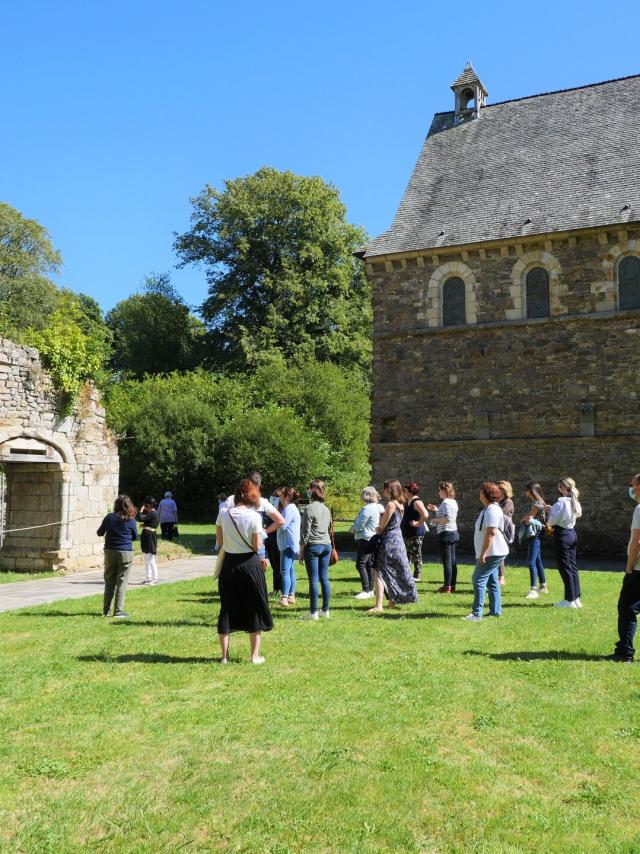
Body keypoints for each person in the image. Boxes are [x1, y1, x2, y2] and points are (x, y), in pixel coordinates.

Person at [215, 478, 273, 664]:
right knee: (254, 606)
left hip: (229, 564)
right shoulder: (254, 517)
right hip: (249, 564)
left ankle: (224, 656)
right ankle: (254, 655)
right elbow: (257, 546)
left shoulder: (224, 513)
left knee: (226, 607)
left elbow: (220, 541)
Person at [603, 472, 640, 663]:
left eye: (632, 484)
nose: (630, 488)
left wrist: (629, 567)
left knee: (627, 609)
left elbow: (637, 542)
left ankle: (625, 652)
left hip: (639, 570)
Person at [367, 479, 418, 614]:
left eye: (384, 488)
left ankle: (379, 605)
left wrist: (377, 528)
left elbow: (382, 526)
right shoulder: (401, 504)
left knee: (378, 571)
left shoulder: (390, 504)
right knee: (394, 570)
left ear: (390, 489)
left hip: (388, 540)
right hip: (398, 539)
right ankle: (391, 602)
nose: (383, 490)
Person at [225, 471, 284, 584]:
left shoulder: (231, 499)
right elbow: (280, 520)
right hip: (256, 543)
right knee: (256, 578)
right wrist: (264, 531)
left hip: (234, 544)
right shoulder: (261, 501)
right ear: (258, 486)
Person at [463, 481, 508, 621]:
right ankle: (495, 611)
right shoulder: (488, 508)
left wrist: (483, 553)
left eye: (482, 491)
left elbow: (491, 532)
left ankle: (477, 613)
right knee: (492, 581)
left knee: (478, 579)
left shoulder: (492, 509)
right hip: (492, 551)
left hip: (493, 551)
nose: (480, 493)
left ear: (486, 494)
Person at [97, 495, 138, 619]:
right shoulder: (131, 520)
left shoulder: (109, 517)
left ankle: (106, 611)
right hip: (125, 552)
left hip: (110, 551)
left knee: (109, 582)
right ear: (129, 506)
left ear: (116, 505)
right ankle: (118, 612)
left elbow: (99, 532)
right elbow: (135, 537)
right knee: (121, 583)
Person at [545, 476, 582, 609]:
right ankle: (576, 597)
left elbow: (552, 521)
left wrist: (549, 511)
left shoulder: (561, 503)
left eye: (559, 486)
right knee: (572, 567)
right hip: (572, 533)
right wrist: (552, 509)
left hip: (562, 535)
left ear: (562, 488)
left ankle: (569, 599)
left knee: (565, 567)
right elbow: (578, 514)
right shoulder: (574, 501)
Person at [299, 479, 332, 621]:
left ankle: (313, 612)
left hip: (313, 545)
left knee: (313, 579)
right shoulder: (326, 509)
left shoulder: (309, 509)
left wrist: (301, 552)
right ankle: (325, 609)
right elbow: (329, 528)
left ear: (312, 490)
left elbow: (305, 533)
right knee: (324, 578)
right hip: (326, 545)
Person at [352, 486, 385, 599]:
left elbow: (359, 525)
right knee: (369, 564)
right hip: (374, 537)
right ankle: (370, 589)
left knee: (360, 564)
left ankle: (366, 589)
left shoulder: (367, 509)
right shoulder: (379, 507)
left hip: (366, 539)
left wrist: (352, 529)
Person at [428, 481, 459, 593]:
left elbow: (446, 520)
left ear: (445, 491)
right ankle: (452, 585)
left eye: (439, 490)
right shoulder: (453, 502)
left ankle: (447, 587)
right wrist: (436, 510)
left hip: (446, 533)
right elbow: (448, 516)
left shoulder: (445, 502)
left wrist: (434, 520)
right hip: (454, 532)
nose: (438, 492)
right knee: (453, 561)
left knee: (447, 562)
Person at [520, 482, 548, 599]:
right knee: (537, 560)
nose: (525, 492)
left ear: (531, 491)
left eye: (526, 490)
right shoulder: (539, 502)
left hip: (534, 533)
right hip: (537, 532)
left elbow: (529, 517)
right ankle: (543, 586)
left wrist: (524, 518)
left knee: (531, 561)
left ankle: (533, 589)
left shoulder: (536, 503)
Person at [275, 487, 301, 607]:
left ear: (286, 497)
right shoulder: (291, 508)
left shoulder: (290, 509)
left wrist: (274, 520)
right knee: (290, 570)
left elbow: (282, 525)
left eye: (281, 495)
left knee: (284, 571)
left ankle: (284, 598)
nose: (279, 497)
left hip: (288, 544)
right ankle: (291, 595)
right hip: (290, 543)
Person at [401, 482, 429, 581]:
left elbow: (425, 514)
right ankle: (407, 573)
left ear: (410, 492)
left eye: (405, 491)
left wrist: (418, 523)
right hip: (407, 533)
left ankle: (417, 575)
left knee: (416, 554)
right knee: (407, 553)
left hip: (416, 533)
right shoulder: (408, 501)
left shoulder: (417, 502)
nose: (404, 492)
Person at [265, 487, 283, 596]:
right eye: (273, 496)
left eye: (276, 497)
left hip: (278, 540)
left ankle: (282, 589)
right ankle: (276, 588)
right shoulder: (269, 511)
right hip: (270, 540)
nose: (274, 498)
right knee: (274, 566)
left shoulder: (282, 511)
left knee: (280, 565)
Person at [496, 480, 514, 586]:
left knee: (500, 555)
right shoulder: (497, 501)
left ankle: (501, 576)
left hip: (504, 531)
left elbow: (500, 513)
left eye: (500, 488)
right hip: (496, 529)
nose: (498, 490)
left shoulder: (508, 502)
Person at [139, 496, 160, 585]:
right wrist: (144, 525)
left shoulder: (152, 513)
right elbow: (145, 520)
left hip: (150, 536)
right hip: (147, 536)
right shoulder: (150, 513)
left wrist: (141, 510)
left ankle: (155, 578)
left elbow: (141, 518)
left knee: (151, 559)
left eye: (146, 505)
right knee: (146, 558)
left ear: (150, 505)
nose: (145, 507)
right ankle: (148, 577)